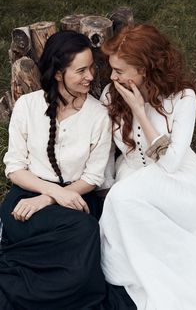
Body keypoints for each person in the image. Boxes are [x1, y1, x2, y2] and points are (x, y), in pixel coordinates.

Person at [99, 24, 196, 310]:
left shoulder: (182, 98)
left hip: (180, 182)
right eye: (111, 69)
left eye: (120, 70)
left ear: (145, 69)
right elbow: (108, 153)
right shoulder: (111, 95)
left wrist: (139, 110)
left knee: (123, 198)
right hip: (135, 173)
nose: (112, 77)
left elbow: (172, 162)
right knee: (122, 199)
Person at [0, 31, 136, 310]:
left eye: (93, 67)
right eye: (81, 70)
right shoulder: (27, 106)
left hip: (77, 198)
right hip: (26, 198)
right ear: (59, 73)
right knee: (79, 244)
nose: (91, 76)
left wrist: (52, 199)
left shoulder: (98, 115)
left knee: (84, 228)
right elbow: (14, 167)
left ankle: (30, 289)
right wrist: (49, 191)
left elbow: (94, 176)